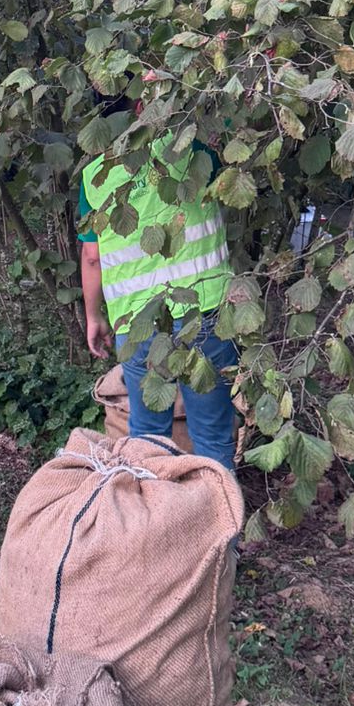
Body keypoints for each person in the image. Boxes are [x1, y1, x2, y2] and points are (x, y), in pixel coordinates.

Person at [78, 87, 240, 471]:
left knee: (147, 438)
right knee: (213, 437)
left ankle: (157, 530)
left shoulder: (93, 176)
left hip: (135, 325)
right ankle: (221, 530)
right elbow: (238, 126)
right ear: (142, 107)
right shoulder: (194, 146)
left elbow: (91, 256)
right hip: (205, 312)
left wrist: (94, 317)